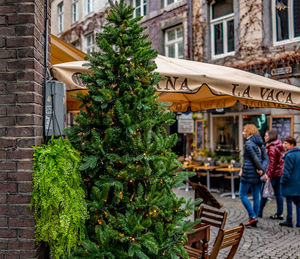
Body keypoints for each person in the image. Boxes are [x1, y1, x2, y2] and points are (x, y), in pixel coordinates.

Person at [240, 124, 269, 227]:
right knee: (256, 196)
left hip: (248, 172)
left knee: (242, 194)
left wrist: (260, 169)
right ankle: (255, 217)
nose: (243, 133)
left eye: (244, 131)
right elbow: (266, 159)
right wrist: (262, 170)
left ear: (249, 132)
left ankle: (252, 216)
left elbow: (254, 158)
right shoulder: (260, 143)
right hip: (257, 174)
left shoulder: (248, 143)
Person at [258, 129, 284, 219]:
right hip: (279, 173)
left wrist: (268, 175)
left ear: (270, 136)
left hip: (272, 174)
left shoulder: (272, 147)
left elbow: (272, 163)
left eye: (266, 135)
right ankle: (280, 213)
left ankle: (259, 212)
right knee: (278, 194)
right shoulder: (277, 146)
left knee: (265, 192)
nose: (264, 137)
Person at [279, 136, 300, 228]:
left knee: (289, 201)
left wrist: (282, 181)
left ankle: (289, 220)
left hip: (290, 183)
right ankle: (299, 222)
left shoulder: (289, 155)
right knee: (298, 203)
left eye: (286, 144)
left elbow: (287, 172)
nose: (284, 145)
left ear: (292, 144)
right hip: (298, 183)